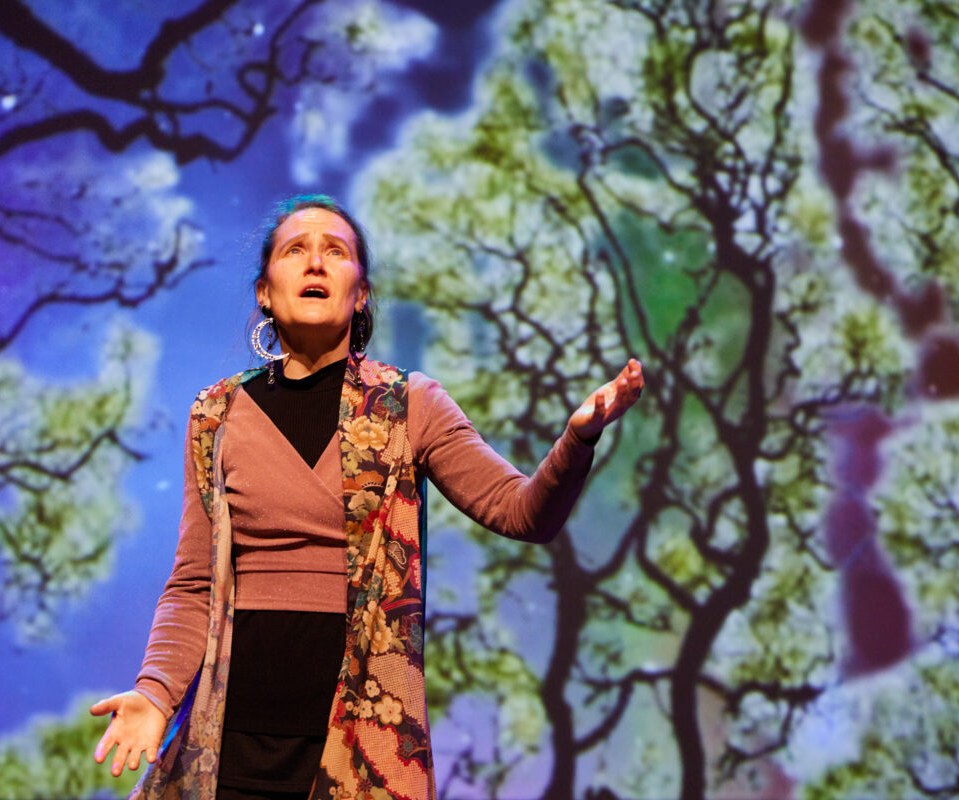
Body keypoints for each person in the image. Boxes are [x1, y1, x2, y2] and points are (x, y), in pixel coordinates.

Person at [90, 195, 644, 800]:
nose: (315, 264)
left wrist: (578, 437)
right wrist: (155, 691)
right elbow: (195, 583)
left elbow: (523, 513)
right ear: (264, 294)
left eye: (336, 252)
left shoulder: (411, 405)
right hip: (232, 746)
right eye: (295, 251)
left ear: (360, 295)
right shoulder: (218, 414)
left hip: (359, 743)